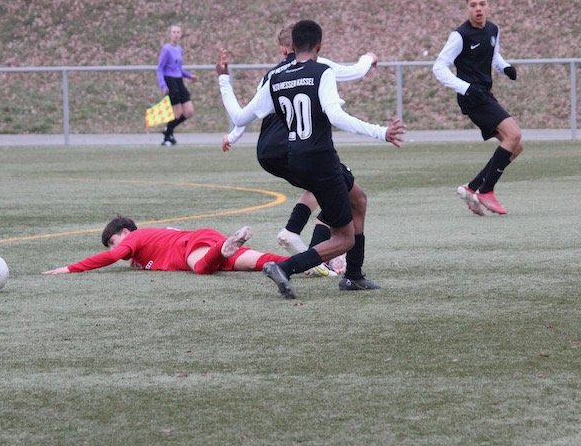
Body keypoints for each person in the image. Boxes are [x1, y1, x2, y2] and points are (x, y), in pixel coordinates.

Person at [216, 20, 405, 299]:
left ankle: (353, 276)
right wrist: (381, 132)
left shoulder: (276, 77)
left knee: (358, 199)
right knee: (344, 238)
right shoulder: (322, 71)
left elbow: (240, 117)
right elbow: (336, 115)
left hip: (295, 159)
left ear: (291, 47)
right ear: (320, 46)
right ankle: (285, 267)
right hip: (321, 160)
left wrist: (223, 80)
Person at [432, 0, 522, 216]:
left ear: (488, 5)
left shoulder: (493, 30)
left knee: (515, 146)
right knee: (513, 135)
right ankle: (486, 191)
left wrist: (505, 68)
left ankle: (472, 188)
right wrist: (466, 88)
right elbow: (439, 67)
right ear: (467, 8)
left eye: (482, 4)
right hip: (472, 97)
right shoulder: (460, 36)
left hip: (484, 94)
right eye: (473, 5)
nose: (478, 8)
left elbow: (494, 55)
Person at [42, 216, 288, 275]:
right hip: (207, 241)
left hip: (193, 245)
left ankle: (223, 247)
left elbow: (113, 257)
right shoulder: (144, 247)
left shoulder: (135, 237)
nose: (113, 249)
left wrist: (70, 268)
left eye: (113, 242)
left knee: (202, 268)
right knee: (262, 262)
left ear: (126, 233)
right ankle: (310, 262)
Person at [156, 24, 197, 146]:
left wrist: (189, 76)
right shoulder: (166, 49)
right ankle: (167, 137)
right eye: (173, 32)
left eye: (178, 32)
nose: (176, 34)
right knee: (178, 113)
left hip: (179, 81)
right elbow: (160, 69)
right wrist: (163, 86)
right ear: (170, 34)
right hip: (170, 81)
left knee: (189, 112)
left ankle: (168, 130)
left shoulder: (179, 49)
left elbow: (178, 68)